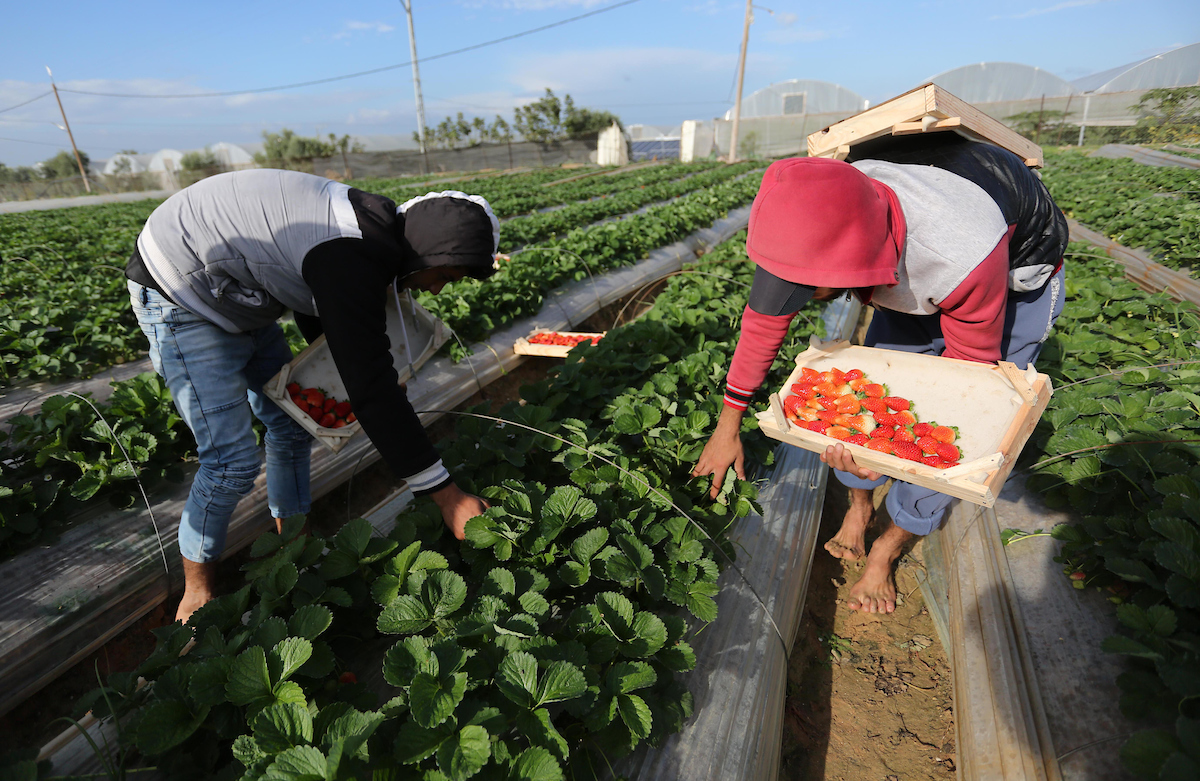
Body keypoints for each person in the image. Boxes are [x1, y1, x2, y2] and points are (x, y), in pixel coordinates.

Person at [693, 133, 1068, 614]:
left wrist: (893, 452)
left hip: (1013, 274)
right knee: (873, 395)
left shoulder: (957, 253)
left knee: (962, 434)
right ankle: (859, 508)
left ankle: (886, 549)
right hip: (913, 253)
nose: (798, 298)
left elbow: (964, 387)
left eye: (808, 289)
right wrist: (727, 426)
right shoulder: (818, 206)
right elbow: (763, 325)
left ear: (855, 265)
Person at [126, 168, 499, 623]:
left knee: (290, 424)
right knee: (230, 463)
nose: (437, 288)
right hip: (182, 287)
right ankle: (197, 593)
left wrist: (367, 374)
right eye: (444, 274)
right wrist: (447, 496)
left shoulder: (372, 238)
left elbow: (319, 304)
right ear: (427, 251)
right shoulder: (351, 252)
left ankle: (292, 549)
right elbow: (370, 389)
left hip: (241, 285)